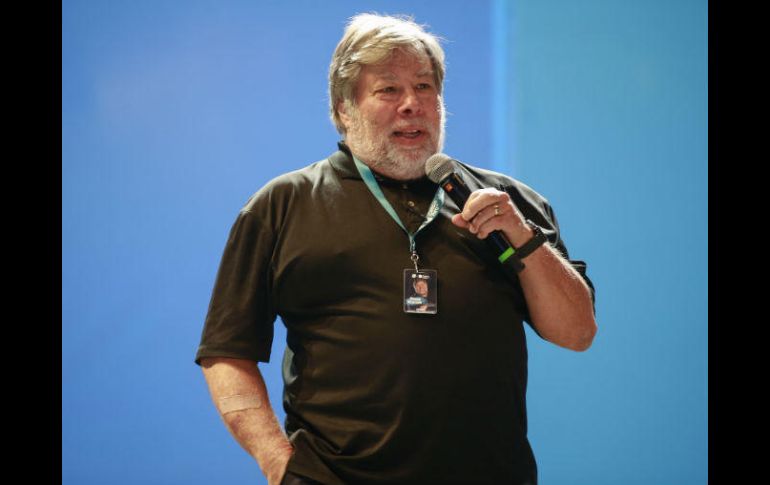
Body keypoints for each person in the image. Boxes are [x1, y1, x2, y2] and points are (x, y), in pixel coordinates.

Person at [195, 13, 596, 485]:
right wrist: (278, 464)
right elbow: (227, 352)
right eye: (388, 89)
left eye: (425, 87)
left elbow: (577, 332)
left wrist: (522, 239)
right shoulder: (283, 206)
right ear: (345, 109)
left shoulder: (507, 205)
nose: (412, 104)